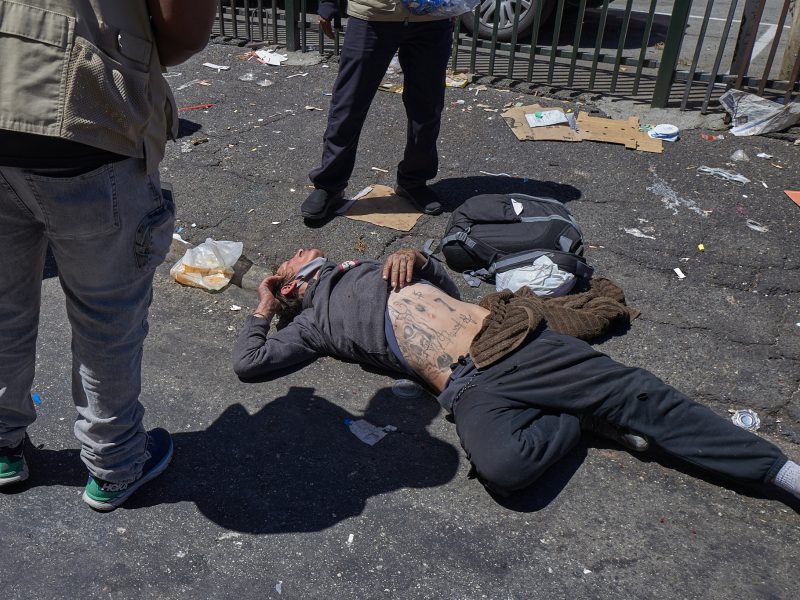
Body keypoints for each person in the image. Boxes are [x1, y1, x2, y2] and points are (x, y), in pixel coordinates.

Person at [232, 247, 800, 504]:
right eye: (289, 261)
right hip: (466, 384)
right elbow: (248, 366)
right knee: (504, 470)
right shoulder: (314, 324)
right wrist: (262, 304)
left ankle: (780, 472)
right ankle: (580, 415)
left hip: (507, 339)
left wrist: (422, 261)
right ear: (292, 285)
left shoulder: (370, 263)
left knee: (641, 394)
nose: (301, 250)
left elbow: (446, 294)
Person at [0, 0, 217, 511]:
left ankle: (2, 445)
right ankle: (116, 462)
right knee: (106, 319)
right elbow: (185, 30)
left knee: (3, 308)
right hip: (89, 119)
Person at [300, 0, 454, 220]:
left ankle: (414, 180)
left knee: (427, 107)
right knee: (348, 105)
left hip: (432, 18)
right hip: (372, 15)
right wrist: (328, 4)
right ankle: (329, 186)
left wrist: (457, 5)